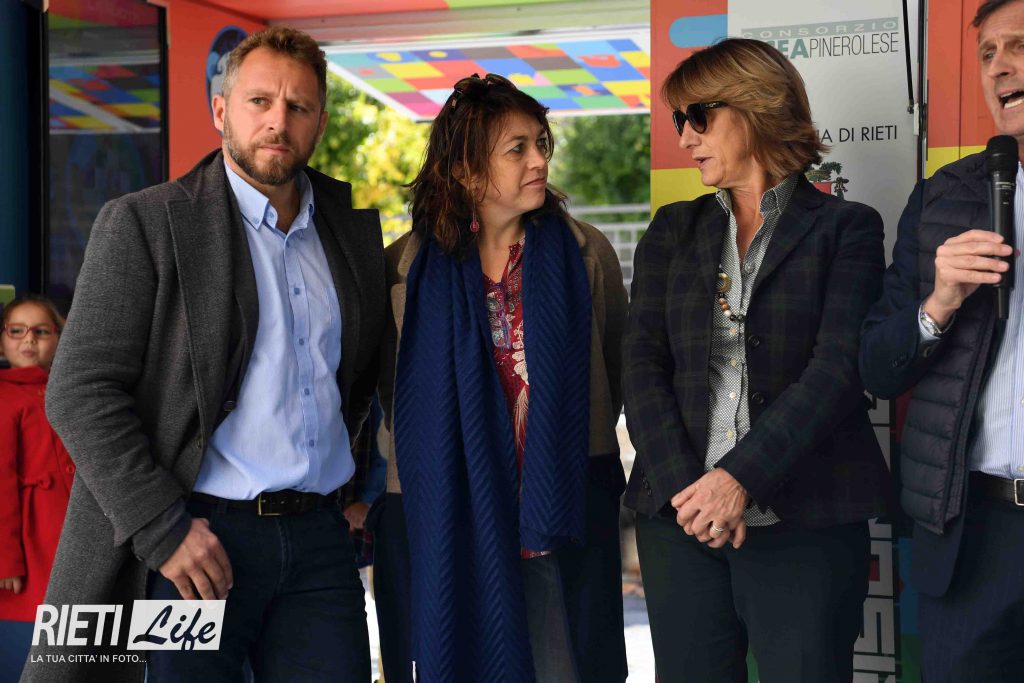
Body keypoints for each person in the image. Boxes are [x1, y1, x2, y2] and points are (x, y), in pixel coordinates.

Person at [21, 27, 385, 683]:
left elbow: (356, 377)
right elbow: (78, 391)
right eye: (259, 101)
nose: (278, 122)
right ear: (221, 110)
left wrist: (355, 487)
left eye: (299, 106)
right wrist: (162, 528)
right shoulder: (145, 222)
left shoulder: (350, 229)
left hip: (320, 545)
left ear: (321, 122)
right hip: (195, 544)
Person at [623, 38, 892, 682]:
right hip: (679, 522)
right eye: (678, 120)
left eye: (698, 116)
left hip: (806, 520)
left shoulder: (847, 227)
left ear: (757, 105)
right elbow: (641, 365)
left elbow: (837, 370)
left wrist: (737, 481)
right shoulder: (672, 228)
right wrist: (693, 496)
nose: (684, 137)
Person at [377, 73, 628, 683]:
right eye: (518, 149)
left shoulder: (585, 252)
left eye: (541, 143)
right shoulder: (405, 268)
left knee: (569, 666)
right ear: (465, 170)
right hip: (449, 514)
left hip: (562, 508)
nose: (539, 160)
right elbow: (390, 392)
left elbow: (612, 369)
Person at [860, 2, 1024, 680]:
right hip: (974, 534)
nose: (999, 67)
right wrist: (940, 301)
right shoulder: (940, 200)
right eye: (988, 53)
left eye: (1019, 46)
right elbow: (877, 367)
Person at [0, 296, 71, 683]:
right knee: (38, 639)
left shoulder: (69, 390)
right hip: (32, 536)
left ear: (59, 338)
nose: (29, 340)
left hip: (69, 526)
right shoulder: (3, 394)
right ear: (2, 341)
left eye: (41, 331)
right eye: (17, 331)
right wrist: (5, 559)